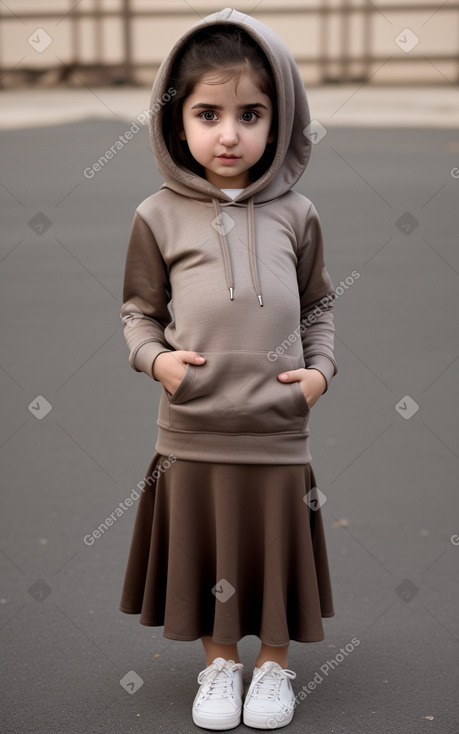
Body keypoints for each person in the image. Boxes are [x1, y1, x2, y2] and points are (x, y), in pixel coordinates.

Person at [119, 7, 337, 731]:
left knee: (272, 540)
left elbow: (318, 308)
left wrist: (319, 373)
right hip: (192, 426)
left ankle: (273, 666)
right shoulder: (156, 216)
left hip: (277, 428)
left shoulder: (297, 214)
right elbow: (137, 313)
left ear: (278, 120)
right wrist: (156, 362)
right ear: (175, 120)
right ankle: (219, 665)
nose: (228, 133)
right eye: (207, 113)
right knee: (208, 540)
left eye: (251, 114)